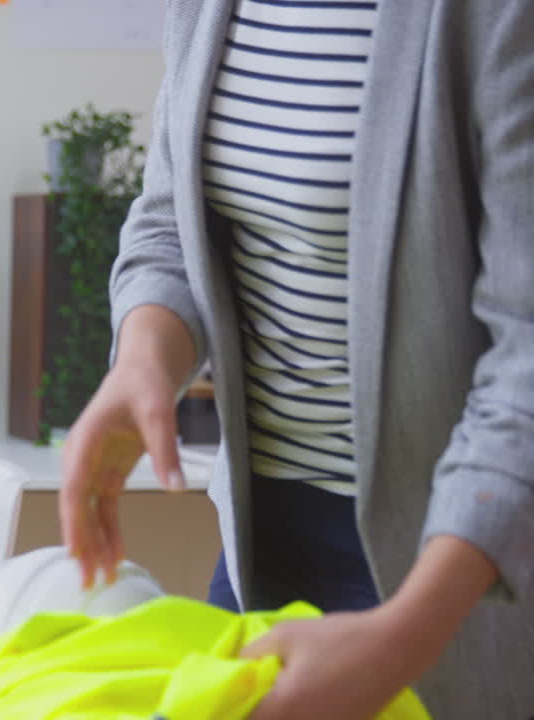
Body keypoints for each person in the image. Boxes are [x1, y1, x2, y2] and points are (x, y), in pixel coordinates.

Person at [58, 2, 534, 718]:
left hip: (457, 579)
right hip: (264, 544)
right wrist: (144, 358)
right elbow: (169, 226)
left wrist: (406, 637)